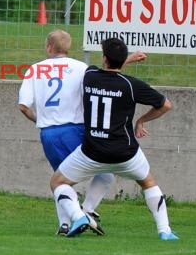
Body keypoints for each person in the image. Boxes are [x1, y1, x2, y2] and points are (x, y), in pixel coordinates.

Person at [18, 30, 146, 236]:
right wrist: (128, 59)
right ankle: (85, 212)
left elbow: (23, 106)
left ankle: (65, 224)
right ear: (68, 48)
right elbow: (106, 74)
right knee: (105, 173)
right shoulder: (80, 68)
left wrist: (40, 120)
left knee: (60, 179)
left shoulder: (34, 70)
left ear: (48, 47)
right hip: (75, 130)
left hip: (49, 134)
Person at [50, 37, 178, 240]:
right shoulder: (131, 85)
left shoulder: (90, 76)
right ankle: (165, 231)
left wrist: (127, 59)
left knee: (58, 182)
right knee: (148, 183)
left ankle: (79, 215)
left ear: (104, 58)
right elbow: (166, 105)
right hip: (126, 153)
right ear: (120, 60)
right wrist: (141, 120)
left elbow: (107, 69)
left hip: (92, 152)